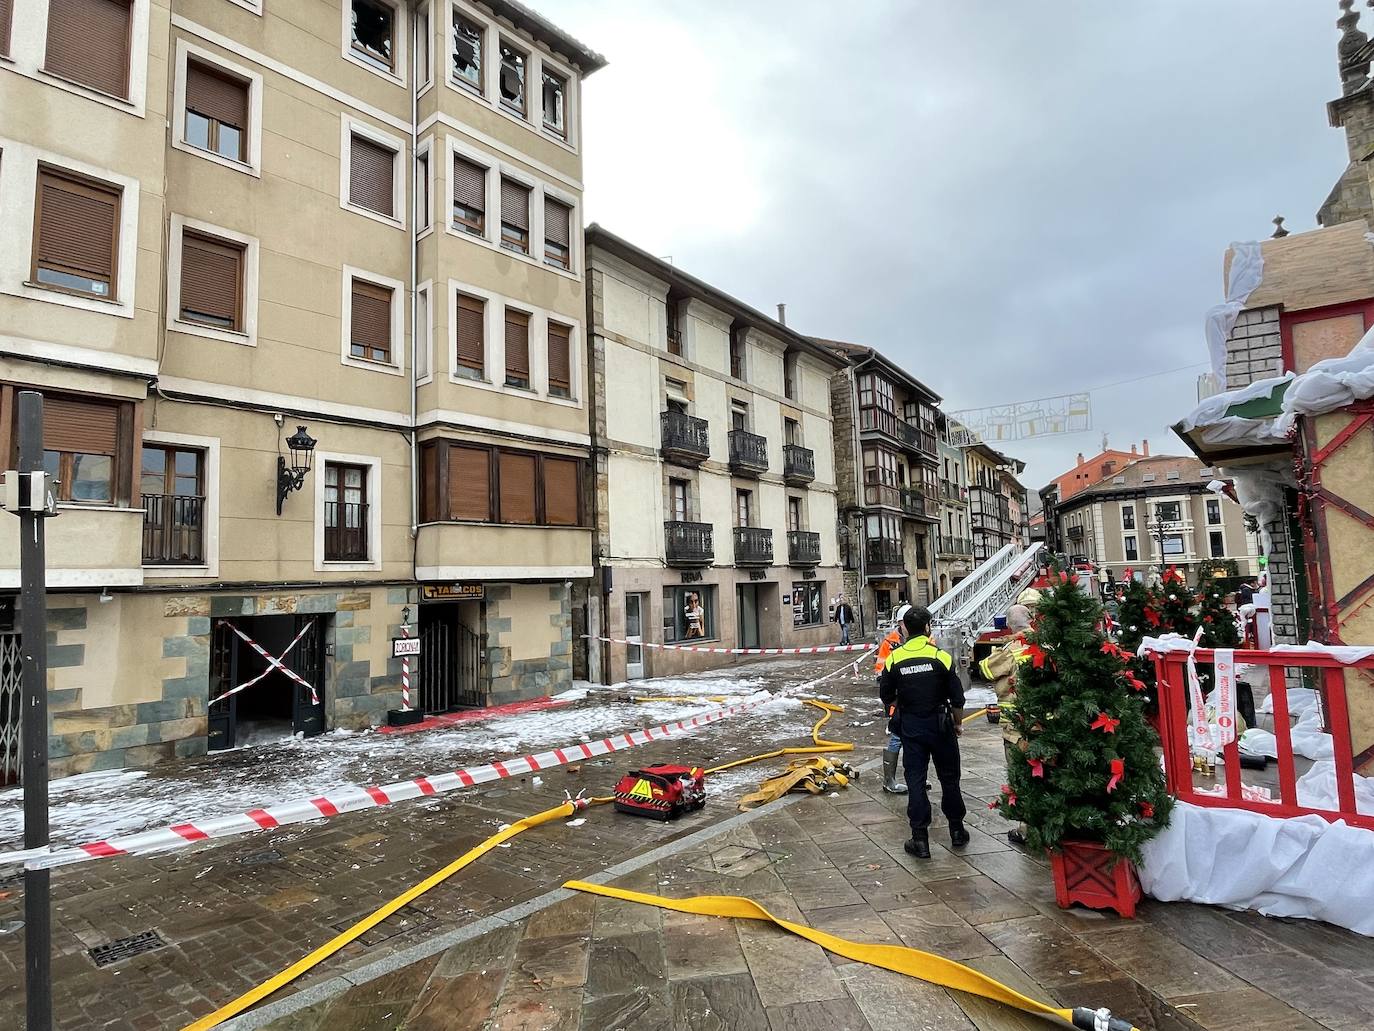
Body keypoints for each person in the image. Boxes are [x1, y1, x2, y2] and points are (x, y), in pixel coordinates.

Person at [879, 605, 967, 858]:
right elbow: (958, 698)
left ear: (905, 628)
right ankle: (957, 832)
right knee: (950, 779)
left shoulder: (895, 658)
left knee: (915, 781)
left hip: (912, 727)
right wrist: (957, 723)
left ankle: (920, 840)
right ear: (928, 628)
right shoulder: (941, 656)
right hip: (941, 725)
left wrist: (906, 701)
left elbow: (886, 696)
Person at [874, 603, 911, 794]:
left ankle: (916, 776)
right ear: (900, 623)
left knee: (916, 739)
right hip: (897, 698)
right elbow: (881, 669)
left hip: (916, 696)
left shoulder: (926, 638)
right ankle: (889, 780)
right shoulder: (890, 642)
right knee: (897, 737)